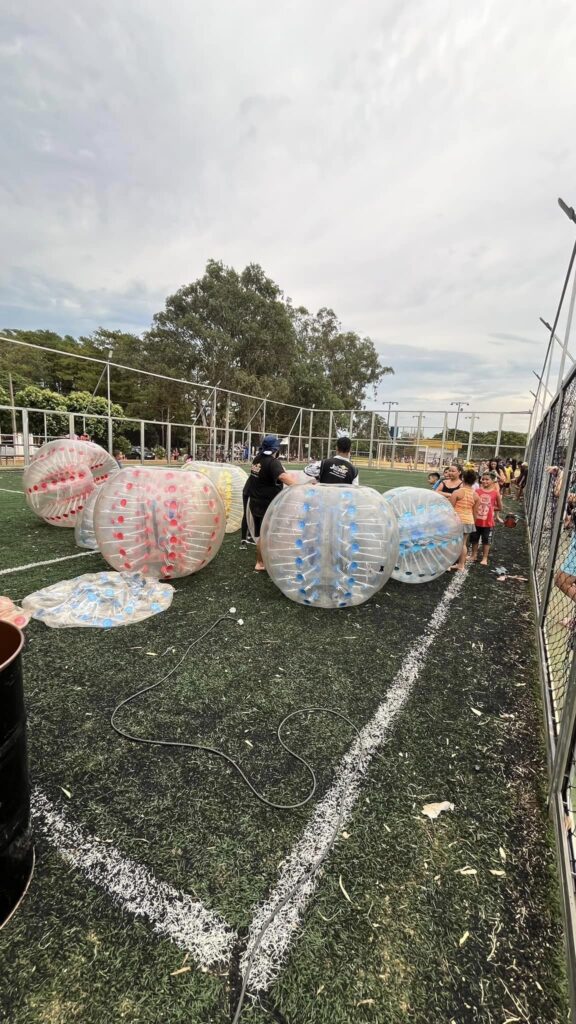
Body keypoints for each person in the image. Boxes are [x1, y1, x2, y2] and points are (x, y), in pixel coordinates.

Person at [245, 435, 297, 570]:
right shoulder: (273, 462)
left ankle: (262, 561)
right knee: (267, 534)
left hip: (255, 502)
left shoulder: (257, 459)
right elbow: (283, 476)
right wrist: (301, 487)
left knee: (262, 534)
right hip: (266, 505)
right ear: (275, 448)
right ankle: (261, 563)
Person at [447, 468, 479, 570]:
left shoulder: (457, 492)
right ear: (475, 481)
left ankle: (447, 564)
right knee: (463, 543)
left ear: (463, 478)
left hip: (457, 521)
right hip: (469, 521)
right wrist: (473, 522)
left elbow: (450, 509)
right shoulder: (476, 495)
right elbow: (475, 512)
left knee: (451, 543)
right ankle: (461, 565)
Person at [470, 471, 502, 565]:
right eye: (483, 479)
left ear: (493, 481)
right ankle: (473, 555)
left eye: (487, 479)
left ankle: (485, 558)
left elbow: (500, 507)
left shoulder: (495, 493)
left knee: (486, 540)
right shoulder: (477, 491)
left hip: (488, 522)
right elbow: (473, 503)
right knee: (474, 538)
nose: (484, 481)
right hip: (476, 521)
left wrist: (491, 507)